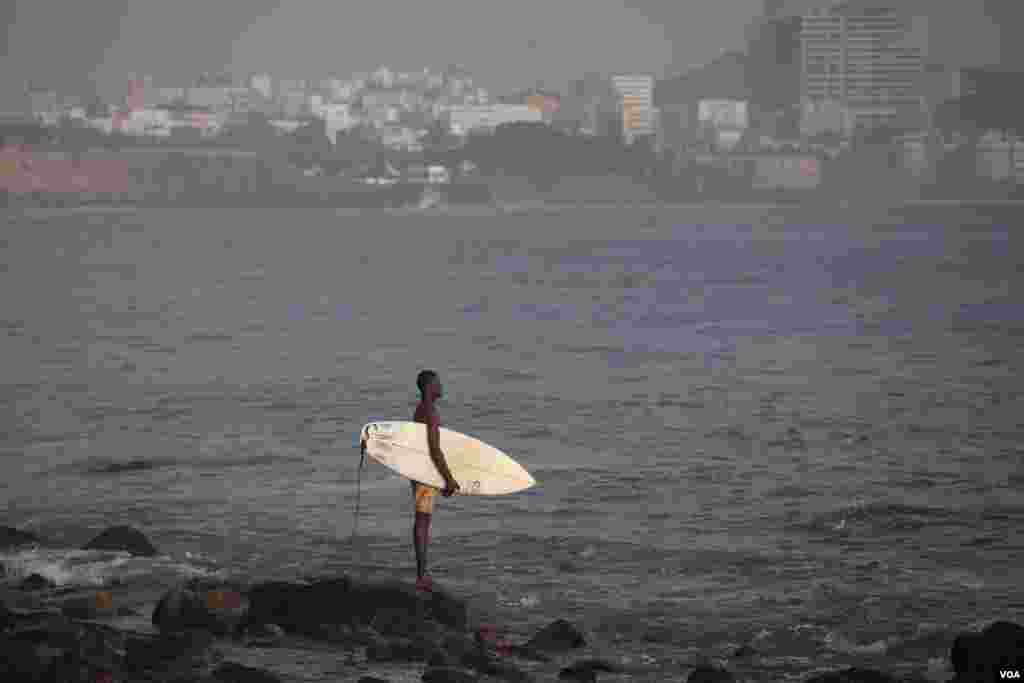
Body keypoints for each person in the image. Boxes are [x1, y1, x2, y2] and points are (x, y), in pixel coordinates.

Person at [411, 370, 460, 591]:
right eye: (438, 382)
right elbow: (434, 449)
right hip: (424, 473)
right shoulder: (429, 412)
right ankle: (421, 576)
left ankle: (422, 573)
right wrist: (448, 479)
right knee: (422, 521)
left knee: (423, 520)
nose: (442, 386)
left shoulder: (420, 410)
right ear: (430, 387)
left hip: (421, 471)